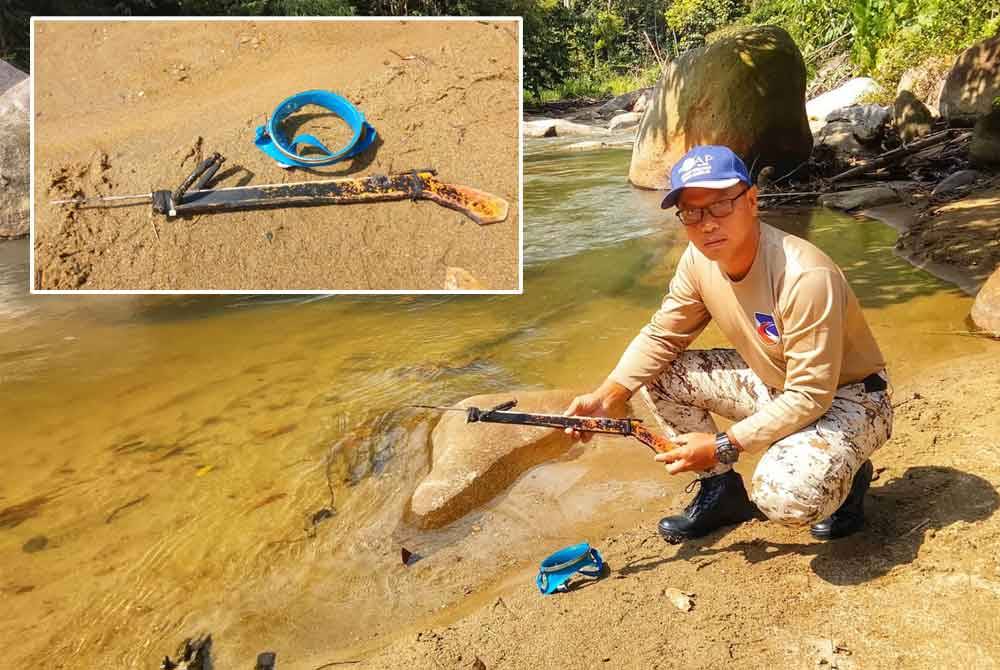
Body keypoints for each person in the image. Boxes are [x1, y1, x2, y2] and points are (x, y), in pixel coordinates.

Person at [565, 145, 893, 543]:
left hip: (851, 398)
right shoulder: (698, 260)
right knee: (660, 373)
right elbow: (662, 334)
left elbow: (811, 395)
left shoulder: (804, 275)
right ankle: (721, 492)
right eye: (692, 212)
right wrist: (608, 395)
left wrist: (722, 444)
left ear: (752, 201)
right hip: (776, 384)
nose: (706, 225)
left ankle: (850, 478)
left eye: (720, 205)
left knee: (785, 498)